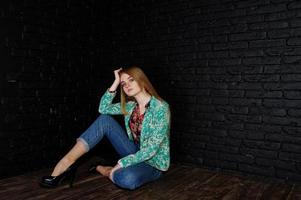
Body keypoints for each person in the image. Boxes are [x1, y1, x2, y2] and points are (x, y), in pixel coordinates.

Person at [40, 66, 171, 190]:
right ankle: (66, 163)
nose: (127, 85)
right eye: (123, 83)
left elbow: (151, 150)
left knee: (127, 179)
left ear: (142, 80)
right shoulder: (131, 106)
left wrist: (121, 164)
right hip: (135, 151)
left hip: (153, 162)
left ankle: (102, 169)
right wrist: (115, 82)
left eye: (131, 80)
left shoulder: (160, 108)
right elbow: (103, 108)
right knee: (104, 120)